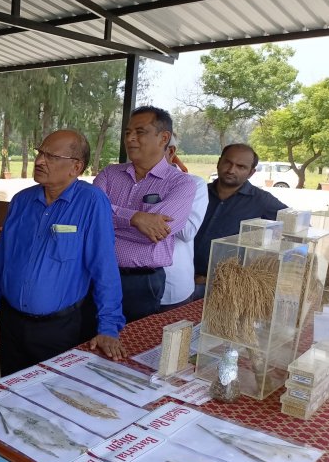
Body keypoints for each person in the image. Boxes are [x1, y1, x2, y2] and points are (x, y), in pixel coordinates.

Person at [0, 130, 126, 376]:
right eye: (40, 153)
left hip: (60, 329)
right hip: (13, 324)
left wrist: (108, 328)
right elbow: (1, 261)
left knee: (54, 401)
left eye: (51, 156)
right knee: (13, 394)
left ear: (75, 167)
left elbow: (104, 269)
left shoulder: (91, 202)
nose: (39, 161)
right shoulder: (21, 201)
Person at [94, 106, 196, 323]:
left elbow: (156, 232)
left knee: (131, 345)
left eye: (140, 132)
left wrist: (109, 219)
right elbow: (88, 216)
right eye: (127, 133)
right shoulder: (110, 173)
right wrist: (136, 218)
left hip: (140, 283)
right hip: (96, 274)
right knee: (88, 343)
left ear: (163, 138)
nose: (130, 138)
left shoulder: (181, 183)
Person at [193, 143, 287, 299]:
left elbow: (294, 228)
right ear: (219, 162)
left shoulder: (262, 201)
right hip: (182, 281)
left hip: (226, 289)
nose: (231, 170)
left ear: (251, 172)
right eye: (228, 163)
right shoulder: (198, 193)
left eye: (241, 167)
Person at [160, 133, 208, 312]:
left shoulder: (194, 184)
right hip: (125, 283)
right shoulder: (123, 180)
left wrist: (145, 212)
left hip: (171, 284)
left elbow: (187, 232)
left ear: (170, 151)